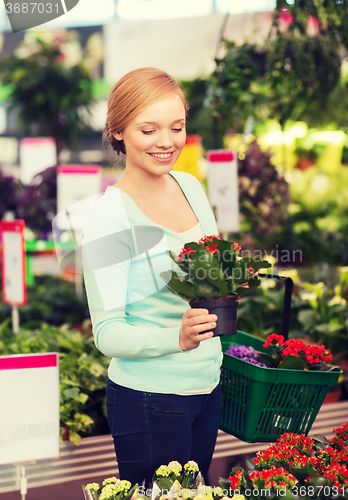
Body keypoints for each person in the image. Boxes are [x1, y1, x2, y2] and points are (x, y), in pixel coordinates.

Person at [81, 67, 223, 487]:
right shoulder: (110, 219)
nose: (166, 142)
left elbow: (212, 271)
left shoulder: (190, 187)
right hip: (150, 399)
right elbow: (107, 333)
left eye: (176, 127)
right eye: (149, 129)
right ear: (119, 131)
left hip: (207, 385)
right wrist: (174, 338)